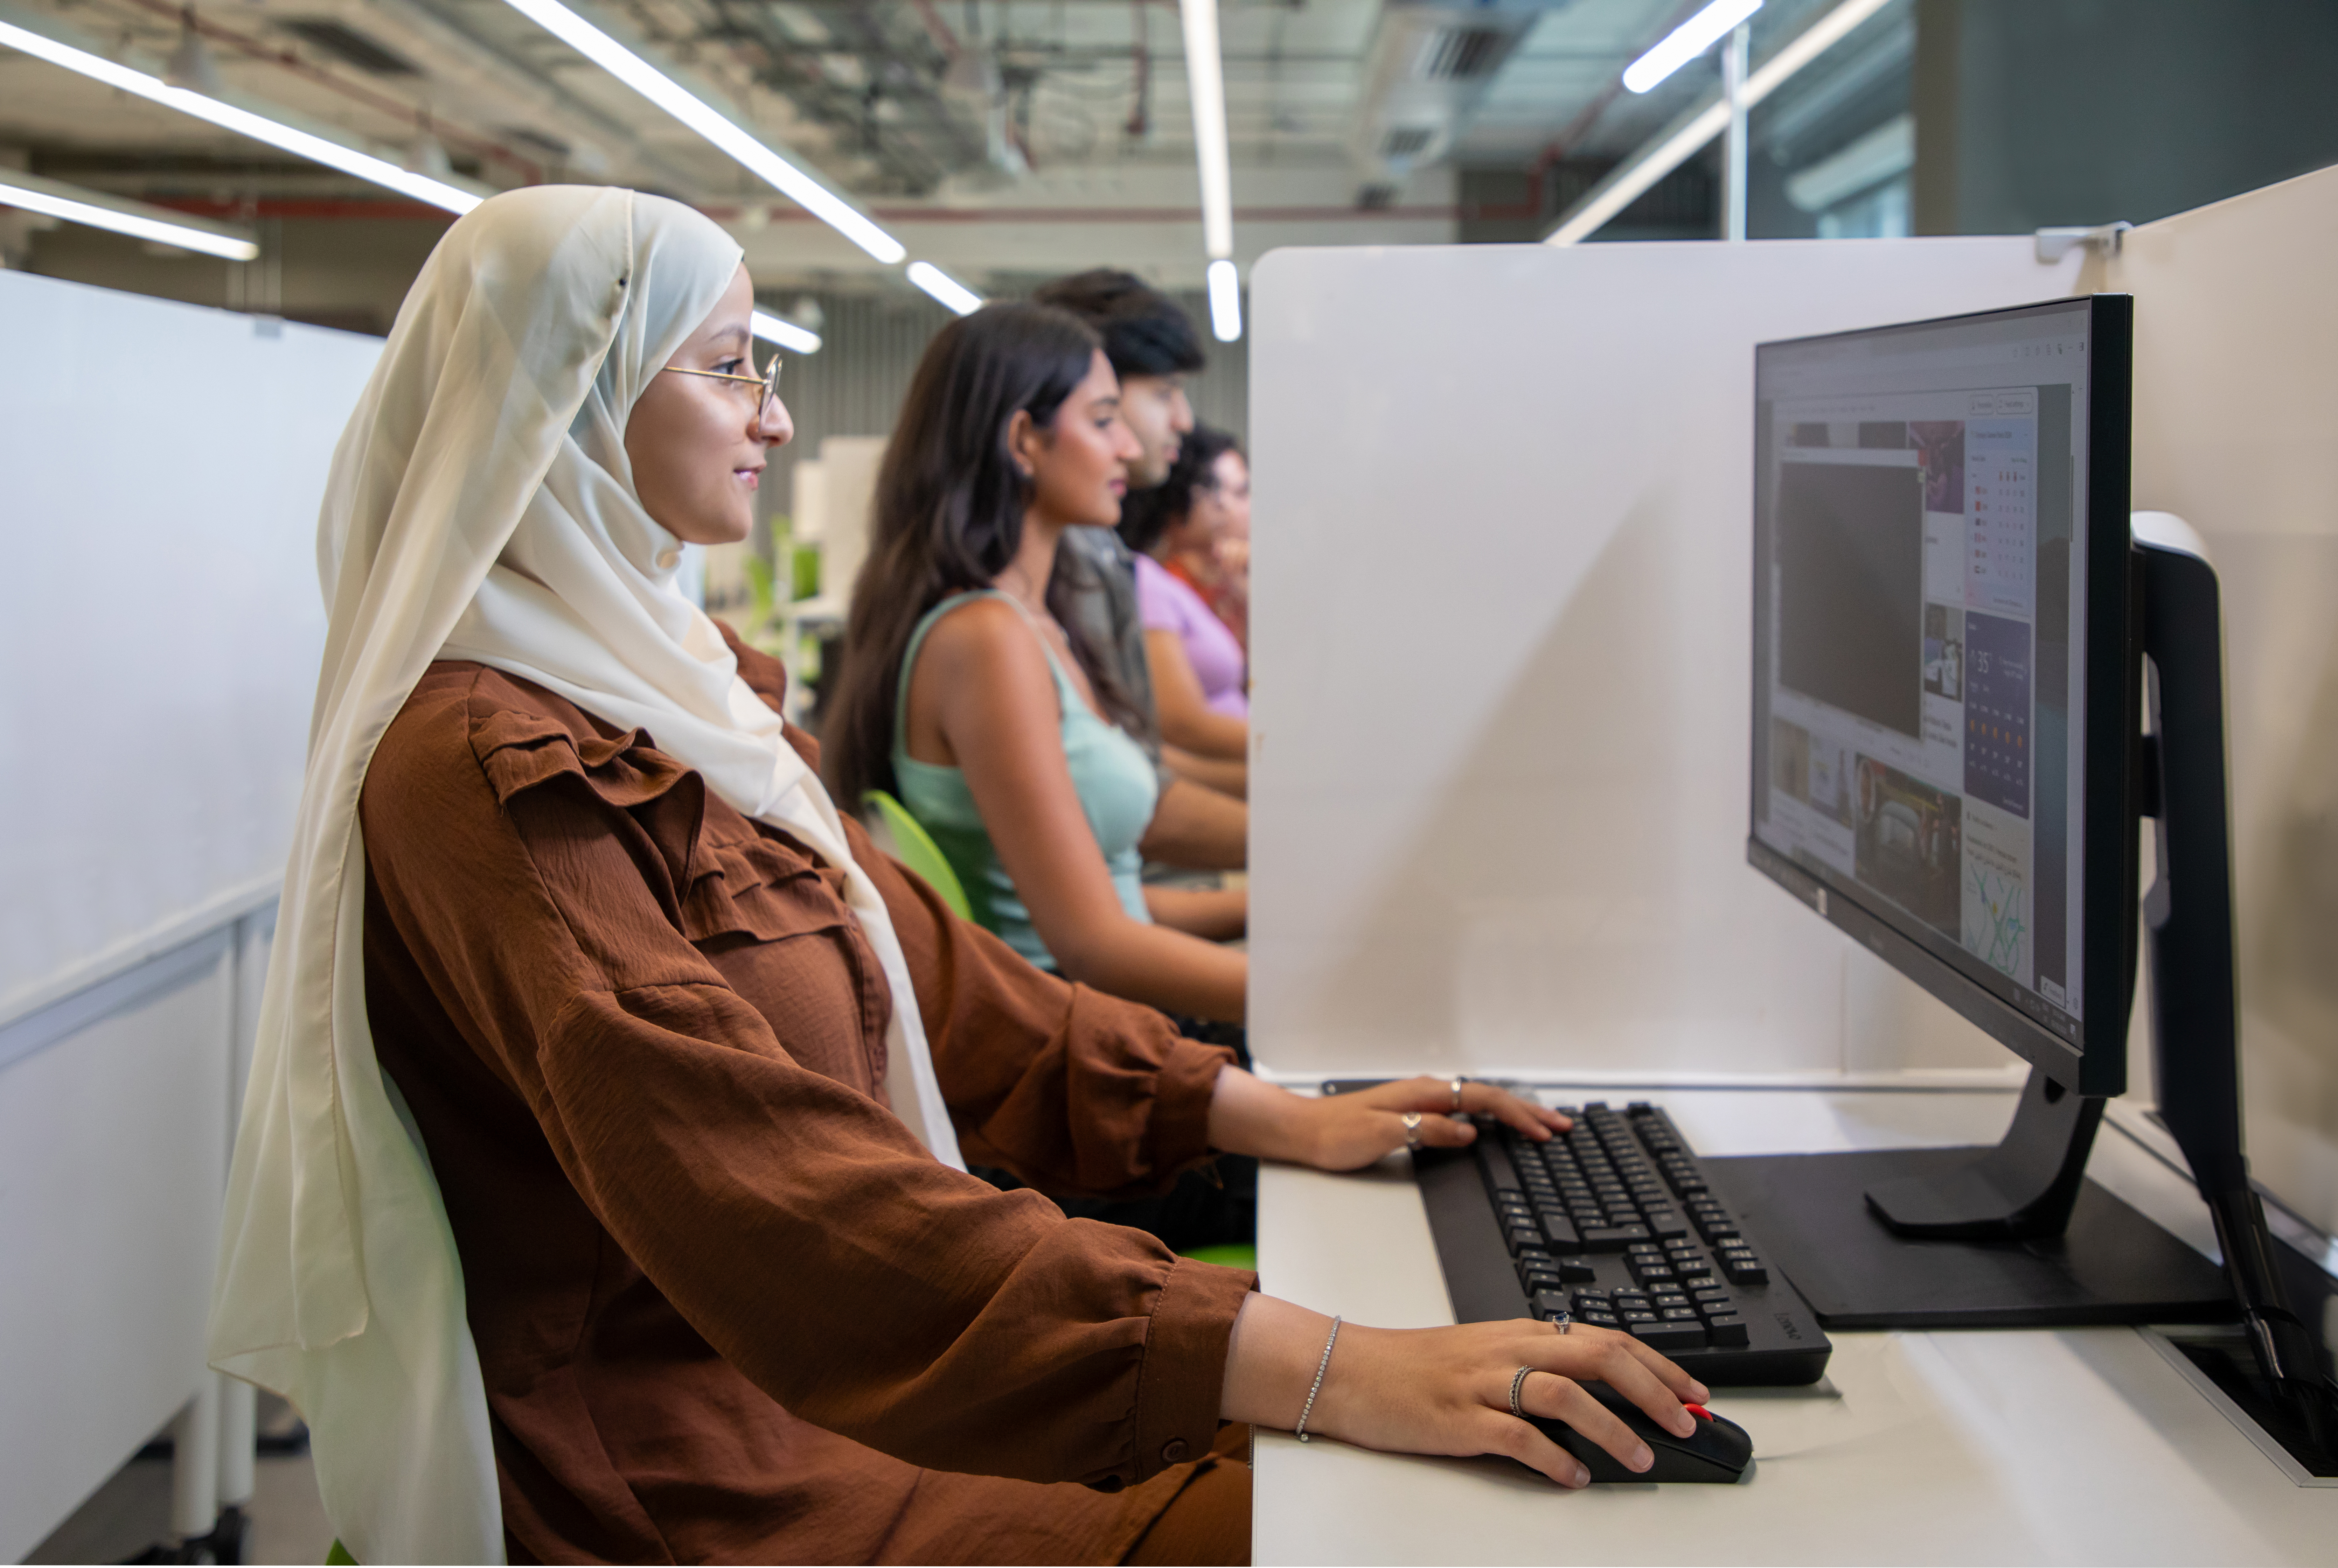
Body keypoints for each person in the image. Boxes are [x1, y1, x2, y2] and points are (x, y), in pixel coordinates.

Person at [207, 186, 1711, 1567]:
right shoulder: (489, 768)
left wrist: (1263, 1111)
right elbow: (772, 1189)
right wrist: (1325, 1361)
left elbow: (948, 976)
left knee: (1465, 1468)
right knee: (1425, 1518)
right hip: (714, 1476)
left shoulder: (679, 690)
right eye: (729, 366)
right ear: (574, 396)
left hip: (864, 1380)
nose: (776, 419)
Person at [825, 303, 1246, 1025]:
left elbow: (1118, 903)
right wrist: (1325, 989)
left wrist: (1290, 897)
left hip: (1115, 1021)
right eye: (1104, 418)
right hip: (1094, 1045)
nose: (1125, 447)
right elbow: (1094, 945)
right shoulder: (987, 637)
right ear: (1025, 439)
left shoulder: (1038, 620)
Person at [1036, 268, 1250, 805]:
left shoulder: (1097, 552)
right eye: (1164, 392)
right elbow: (1147, 764)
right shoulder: (1047, 579)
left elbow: (1136, 759)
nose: (1182, 419)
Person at [1121, 426, 1251, 766]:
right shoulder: (1154, 582)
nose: (1224, 505)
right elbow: (1182, 726)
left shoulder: (1223, 578)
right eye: (1214, 490)